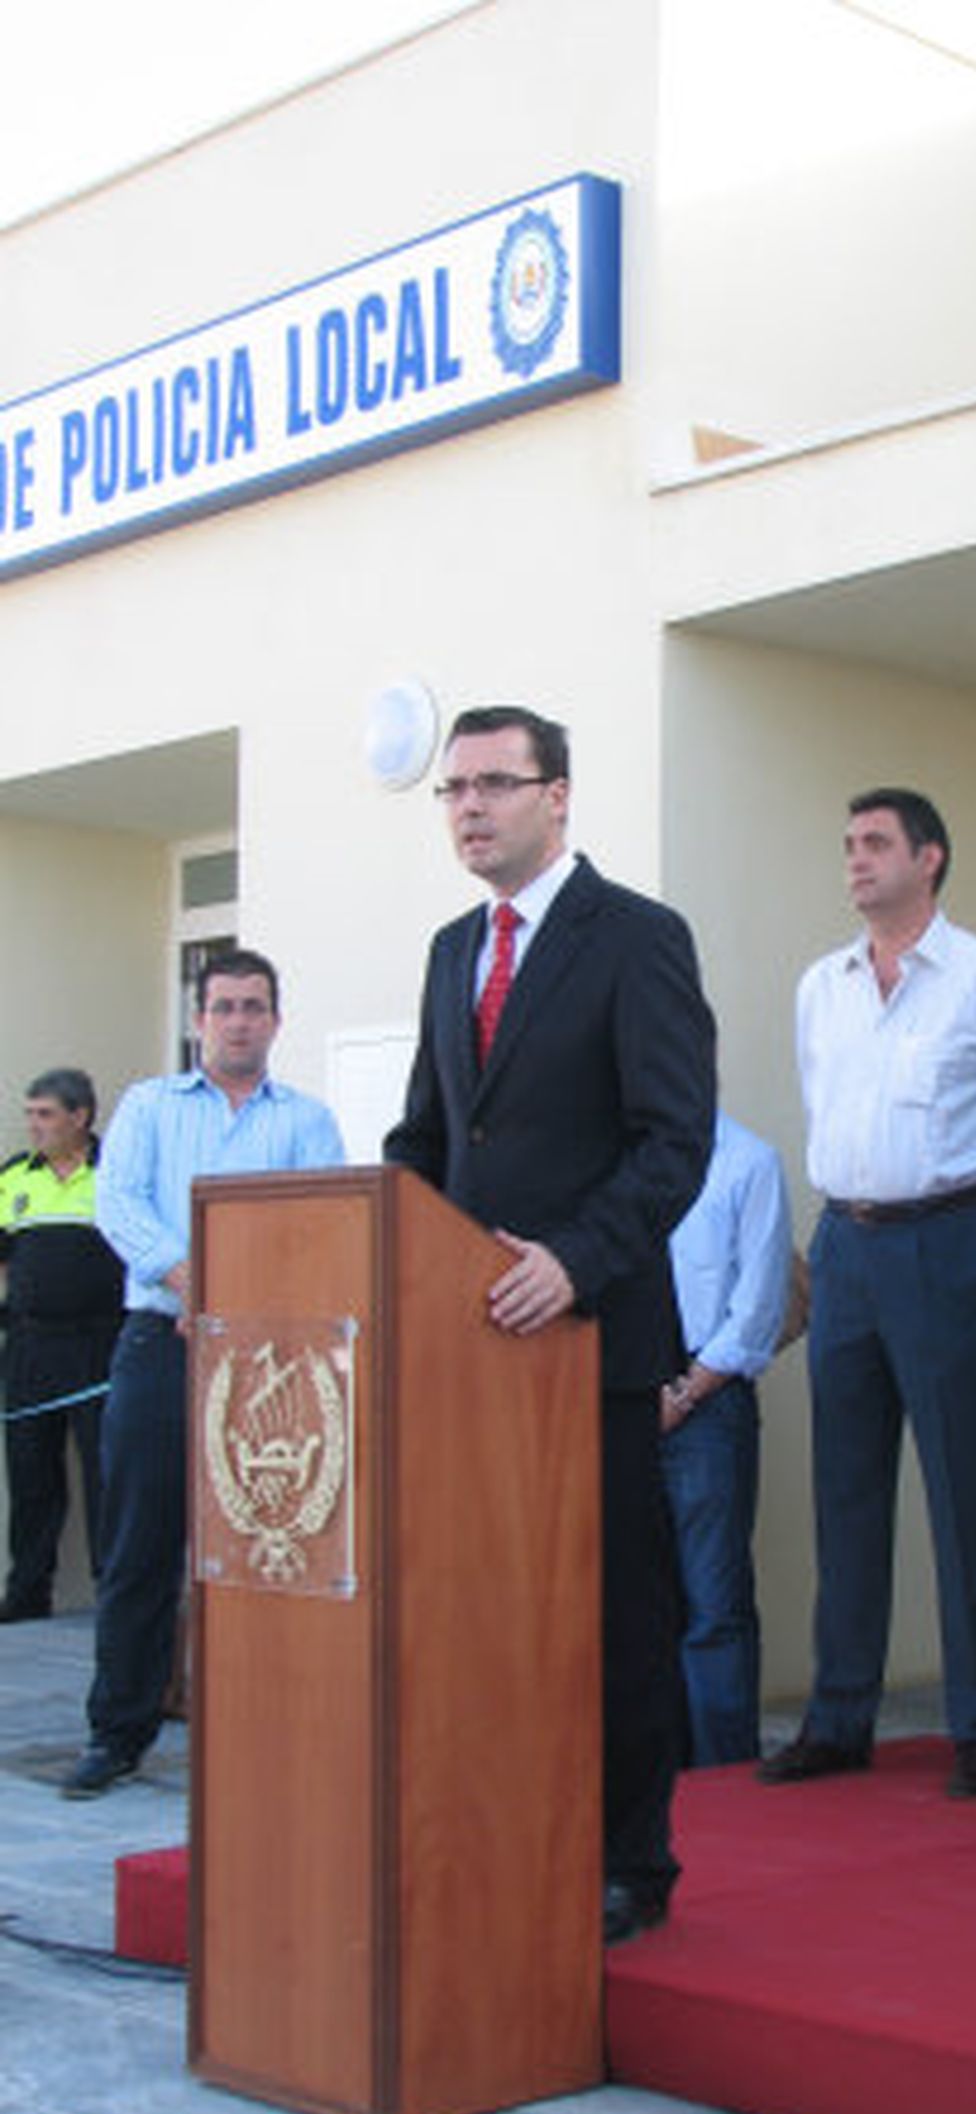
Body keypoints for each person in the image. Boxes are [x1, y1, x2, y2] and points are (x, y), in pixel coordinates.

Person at [384, 703, 716, 1944]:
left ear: (558, 796)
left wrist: (573, 1261)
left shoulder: (635, 938)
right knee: (488, 1610)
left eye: (493, 784)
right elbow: (427, 1141)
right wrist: (389, 1247)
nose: (468, 806)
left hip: (593, 1335)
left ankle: (634, 1857)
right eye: (452, 789)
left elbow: (673, 1136)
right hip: (466, 1351)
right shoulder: (447, 949)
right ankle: (505, 1825)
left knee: (611, 1610)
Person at [760, 787, 976, 1800]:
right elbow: (824, 1107)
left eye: (876, 842)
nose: (854, 859)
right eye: (846, 842)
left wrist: (954, 1217)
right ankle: (839, 1715)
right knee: (846, 1491)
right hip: (844, 1240)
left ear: (929, 857)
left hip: (945, 1241)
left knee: (966, 1489)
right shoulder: (823, 985)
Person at [63, 950, 345, 1798]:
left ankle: (273, 1727)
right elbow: (121, 1206)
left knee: (275, 1546)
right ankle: (117, 1731)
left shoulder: (308, 1120)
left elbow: (324, 1223)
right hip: (163, 1343)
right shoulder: (149, 1106)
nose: (238, 1021)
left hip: (273, 1362)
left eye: (254, 1007)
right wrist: (198, 1282)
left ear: (276, 1020)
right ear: (199, 1020)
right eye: (223, 1007)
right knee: (141, 1544)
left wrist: (246, 1306)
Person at [661, 1110, 794, 1766]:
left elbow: (758, 1308)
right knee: (640, 1599)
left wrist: (684, 1391)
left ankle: (723, 1772)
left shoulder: (749, 1161)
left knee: (713, 1601)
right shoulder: (612, 1153)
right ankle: (658, 1769)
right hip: (622, 1394)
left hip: (707, 1399)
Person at [0, 1070, 124, 1624]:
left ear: (81, 1117)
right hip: (29, 1349)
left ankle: (111, 1595)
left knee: (108, 1476)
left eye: (45, 1114)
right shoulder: (12, 1178)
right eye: (30, 1114)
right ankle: (27, 1596)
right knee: (30, 1479)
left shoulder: (116, 1172)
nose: (34, 1125)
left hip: (100, 1347)